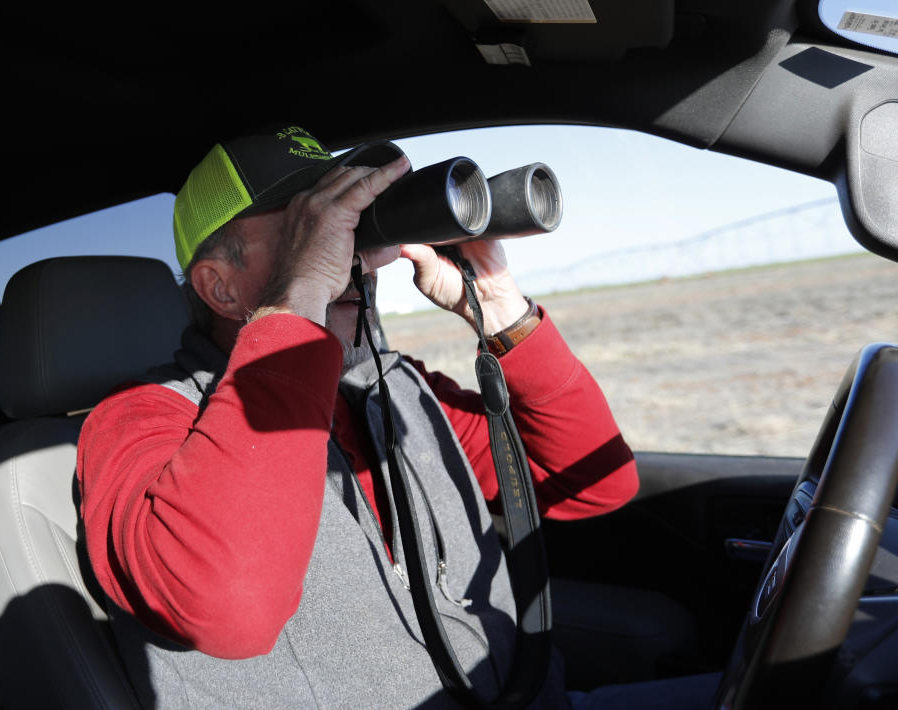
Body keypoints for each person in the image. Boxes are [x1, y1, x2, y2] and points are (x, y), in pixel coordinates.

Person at [75, 126, 683, 709]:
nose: (352, 253)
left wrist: (500, 308)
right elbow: (228, 609)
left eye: (350, 222)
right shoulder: (141, 420)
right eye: (308, 229)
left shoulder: (395, 388)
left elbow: (592, 486)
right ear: (221, 287)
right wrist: (301, 291)